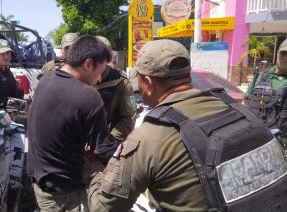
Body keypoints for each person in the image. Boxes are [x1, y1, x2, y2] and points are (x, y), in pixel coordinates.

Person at [88, 40, 287, 211]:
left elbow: (102, 207)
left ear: (148, 83)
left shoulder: (149, 137)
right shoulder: (239, 109)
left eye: (138, 80)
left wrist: (97, 174)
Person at [27, 35, 120, 211]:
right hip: (63, 191)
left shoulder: (47, 78)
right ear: (87, 64)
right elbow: (105, 149)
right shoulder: (88, 96)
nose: (99, 79)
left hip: (40, 180)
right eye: (100, 71)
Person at [244, 39, 287, 146]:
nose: (285, 58)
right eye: (283, 53)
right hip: (255, 141)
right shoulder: (261, 77)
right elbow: (245, 102)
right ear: (277, 54)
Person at [95, 36, 137, 141]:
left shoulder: (121, 82)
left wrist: (107, 142)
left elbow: (129, 118)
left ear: (108, 59)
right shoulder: (79, 77)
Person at [0, 39, 23, 105]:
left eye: (8, 53)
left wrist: (14, 84)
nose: (7, 56)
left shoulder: (6, 69)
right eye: (2, 53)